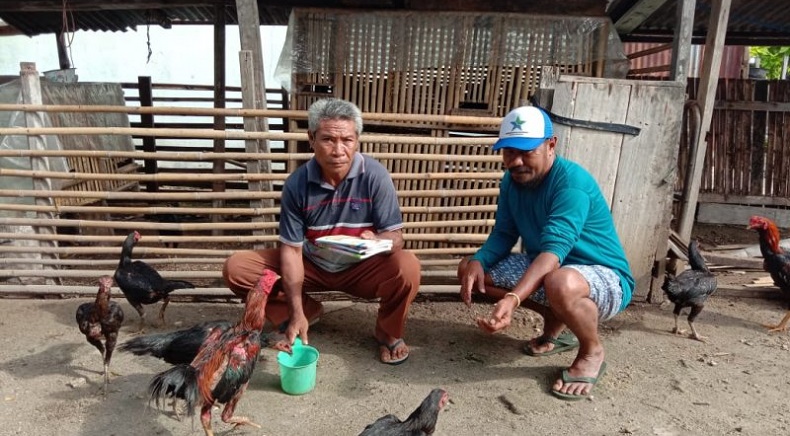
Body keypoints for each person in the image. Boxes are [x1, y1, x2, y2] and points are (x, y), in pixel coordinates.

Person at [223, 98, 421, 365]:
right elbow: (291, 251)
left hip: (362, 268)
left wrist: (379, 241)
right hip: (312, 265)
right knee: (238, 269)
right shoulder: (297, 184)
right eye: (328, 139)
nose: (338, 150)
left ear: (357, 140)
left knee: (408, 266)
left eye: (347, 140)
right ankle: (305, 312)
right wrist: (295, 311)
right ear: (311, 138)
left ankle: (388, 332)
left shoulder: (375, 175)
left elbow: (396, 238)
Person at [457, 105, 635, 400]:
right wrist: (479, 260)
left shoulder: (571, 183)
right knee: (471, 271)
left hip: (605, 278)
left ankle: (591, 351)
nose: (515, 161)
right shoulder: (512, 182)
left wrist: (514, 299)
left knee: (560, 281)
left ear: (551, 145)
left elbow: (554, 252)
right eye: (508, 152)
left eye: (526, 151)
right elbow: (503, 234)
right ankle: (557, 325)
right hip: (555, 271)